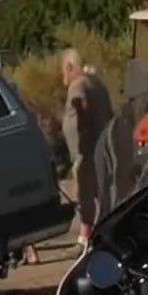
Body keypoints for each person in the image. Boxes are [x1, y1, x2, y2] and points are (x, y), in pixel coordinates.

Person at [61, 48, 114, 249]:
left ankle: (85, 237)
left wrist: (83, 130)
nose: (62, 75)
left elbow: (81, 104)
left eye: (63, 70)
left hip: (87, 149)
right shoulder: (96, 82)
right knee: (97, 192)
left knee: (85, 193)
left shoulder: (78, 85)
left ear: (69, 67)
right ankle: (92, 234)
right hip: (100, 145)